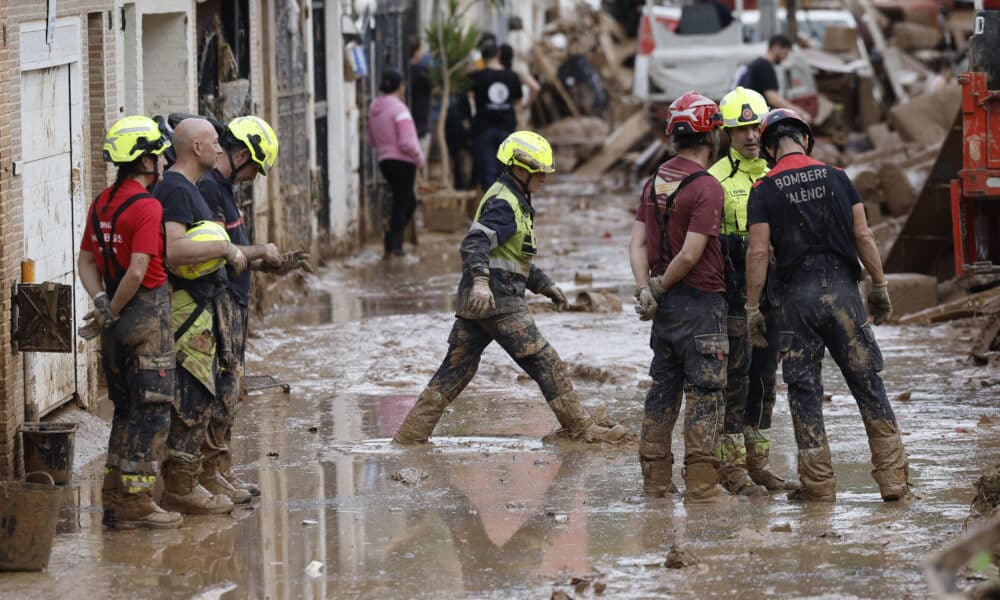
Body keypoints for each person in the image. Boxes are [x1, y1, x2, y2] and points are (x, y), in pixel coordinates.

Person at [393, 131, 626, 446]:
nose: (544, 178)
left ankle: (410, 436)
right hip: (499, 301)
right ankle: (581, 428)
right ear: (520, 168)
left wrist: (547, 287)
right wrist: (480, 281)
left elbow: (513, 260)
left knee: (456, 369)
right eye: (540, 172)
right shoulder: (504, 202)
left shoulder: (515, 200)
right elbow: (474, 243)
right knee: (545, 360)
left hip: (483, 301)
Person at [745, 108, 911, 502]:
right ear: (805, 139)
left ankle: (818, 487)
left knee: (803, 389)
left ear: (769, 147)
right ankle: (893, 482)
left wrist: (752, 308)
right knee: (867, 381)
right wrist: (881, 285)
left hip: (796, 302)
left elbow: (758, 253)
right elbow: (864, 235)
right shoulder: (838, 177)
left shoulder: (763, 188)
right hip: (844, 296)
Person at [628, 91, 736, 504]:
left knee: (663, 390)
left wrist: (646, 289)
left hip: (665, 310)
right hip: (701, 305)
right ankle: (702, 488)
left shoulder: (653, 181)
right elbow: (692, 253)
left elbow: (637, 243)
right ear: (712, 135)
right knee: (706, 395)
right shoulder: (707, 186)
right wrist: (660, 286)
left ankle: (655, 485)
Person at [196, 115, 310, 504]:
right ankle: (208, 474)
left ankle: (219, 469)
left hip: (236, 302)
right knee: (222, 389)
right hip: (220, 302)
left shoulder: (224, 189)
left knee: (231, 389)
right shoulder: (209, 189)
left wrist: (275, 261)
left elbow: (237, 254)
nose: (255, 177)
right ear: (241, 153)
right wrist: (262, 251)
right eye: (255, 169)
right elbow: (217, 255)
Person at [77, 116, 181, 529]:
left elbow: (86, 260)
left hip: (114, 326)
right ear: (145, 161)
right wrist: (116, 307)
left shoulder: (102, 202)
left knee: (123, 408)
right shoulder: (148, 207)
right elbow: (139, 270)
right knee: (152, 410)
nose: (161, 162)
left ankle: (114, 496)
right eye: (157, 155)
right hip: (144, 318)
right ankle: (137, 500)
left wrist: (102, 304)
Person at [156, 117, 248, 515]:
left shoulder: (188, 189)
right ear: (195, 147)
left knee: (204, 394)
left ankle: (192, 480)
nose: (219, 149)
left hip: (199, 309)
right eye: (213, 142)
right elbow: (173, 251)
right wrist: (224, 250)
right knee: (192, 399)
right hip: (185, 313)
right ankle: (180, 487)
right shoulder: (176, 190)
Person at [708, 87, 796, 495]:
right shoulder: (714, 180)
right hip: (735, 296)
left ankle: (759, 462)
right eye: (740, 129)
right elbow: (704, 242)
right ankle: (729, 467)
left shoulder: (777, 173)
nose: (750, 137)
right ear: (726, 133)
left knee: (765, 377)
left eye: (754, 128)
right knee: (736, 378)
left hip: (776, 292)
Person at [368, 69, 424, 257]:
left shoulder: (374, 108)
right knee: (403, 203)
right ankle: (395, 245)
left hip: (385, 161)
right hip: (404, 162)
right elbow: (407, 142)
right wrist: (419, 159)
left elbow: (371, 139)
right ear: (400, 86)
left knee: (408, 202)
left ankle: (392, 239)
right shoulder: (400, 110)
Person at [469, 40, 523, 190]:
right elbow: (518, 102)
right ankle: (503, 205)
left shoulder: (477, 77)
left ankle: (491, 207)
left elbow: (470, 98)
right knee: (505, 171)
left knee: (488, 172)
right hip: (506, 128)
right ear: (498, 54)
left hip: (483, 129)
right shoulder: (512, 76)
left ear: (483, 57)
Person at [738, 35, 811, 120]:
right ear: (776, 47)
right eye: (785, 52)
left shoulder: (757, 63)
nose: (785, 57)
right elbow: (772, 97)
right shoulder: (765, 66)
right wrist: (797, 112)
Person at [408, 36, 434, 177]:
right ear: (416, 52)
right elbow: (435, 89)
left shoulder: (403, 70)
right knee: (419, 160)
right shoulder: (423, 71)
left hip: (407, 120)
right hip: (422, 121)